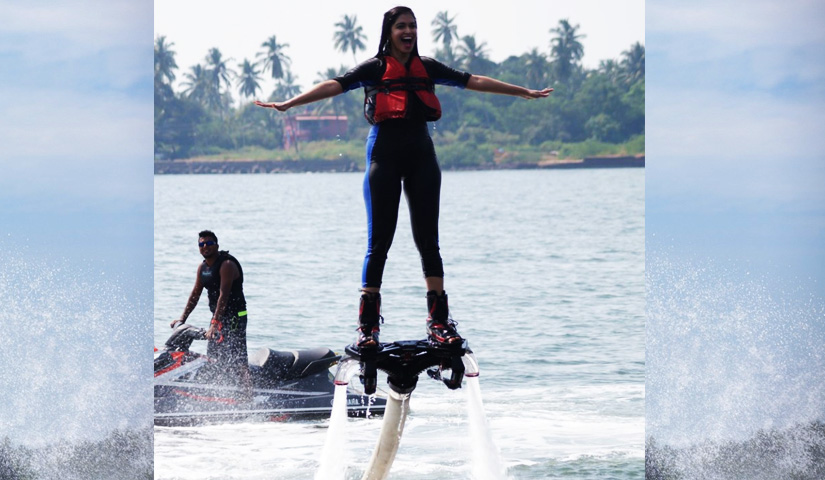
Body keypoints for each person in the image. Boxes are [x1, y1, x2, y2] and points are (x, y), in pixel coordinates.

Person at [255, 6, 552, 349]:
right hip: (384, 157)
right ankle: (368, 328)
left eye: (413, 25)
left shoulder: (428, 67)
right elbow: (334, 85)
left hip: (423, 158)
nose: (408, 31)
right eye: (401, 26)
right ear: (389, 31)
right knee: (379, 242)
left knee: (429, 241)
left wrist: (523, 92)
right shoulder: (375, 67)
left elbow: (474, 81)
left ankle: (439, 322)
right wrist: (290, 103)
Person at [171, 230, 252, 397]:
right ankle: (221, 393)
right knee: (214, 356)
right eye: (201, 244)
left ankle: (247, 396)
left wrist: (214, 324)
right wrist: (182, 319)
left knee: (238, 358)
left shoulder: (227, 265)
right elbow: (195, 294)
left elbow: (224, 295)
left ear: (217, 245)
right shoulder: (202, 268)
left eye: (209, 243)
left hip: (236, 316)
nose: (205, 247)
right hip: (218, 318)